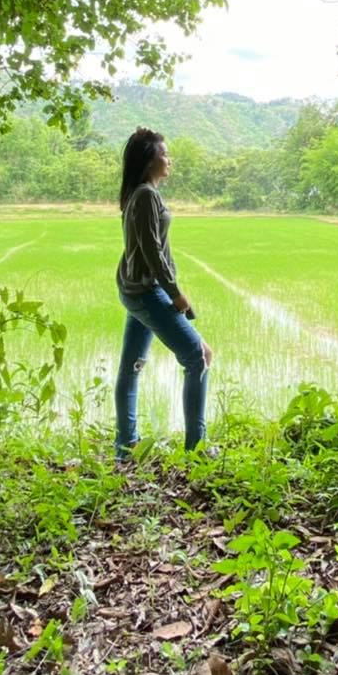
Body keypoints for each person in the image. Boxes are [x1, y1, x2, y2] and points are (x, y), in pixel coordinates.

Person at [114, 127, 214, 460]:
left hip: (135, 288)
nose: (169, 159)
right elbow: (152, 252)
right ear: (148, 159)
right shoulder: (145, 195)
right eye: (164, 153)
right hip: (148, 290)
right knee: (198, 356)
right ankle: (196, 448)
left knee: (131, 368)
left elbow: (140, 248)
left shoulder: (140, 194)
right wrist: (176, 294)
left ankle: (125, 447)